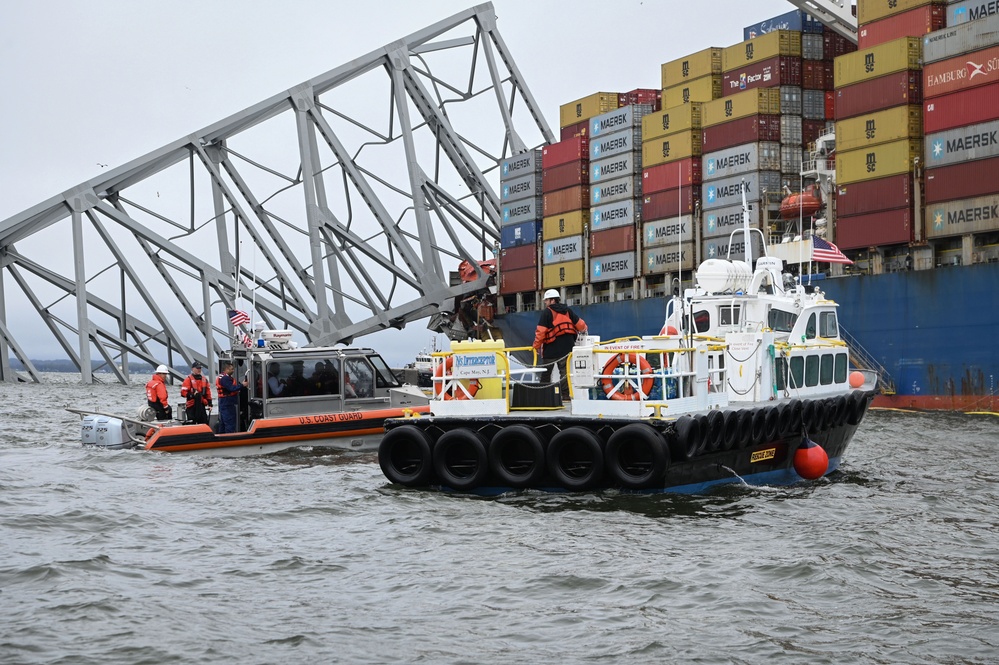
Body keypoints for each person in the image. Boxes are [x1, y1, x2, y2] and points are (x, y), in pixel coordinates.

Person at [533, 288, 587, 400]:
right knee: (564, 373)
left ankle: (543, 395)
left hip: (551, 348)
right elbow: (581, 325)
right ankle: (566, 396)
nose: (545, 303)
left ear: (552, 301)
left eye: (546, 300)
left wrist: (536, 347)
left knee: (546, 372)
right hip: (567, 346)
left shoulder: (547, 312)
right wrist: (585, 329)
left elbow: (541, 331)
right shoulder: (568, 311)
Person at [215, 361, 247, 434]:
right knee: (230, 423)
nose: (233, 371)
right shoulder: (225, 378)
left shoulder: (222, 377)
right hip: (227, 403)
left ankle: (222, 438)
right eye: (231, 369)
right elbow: (231, 388)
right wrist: (242, 385)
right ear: (226, 369)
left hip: (223, 402)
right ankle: (229, 438)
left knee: (223, 422)